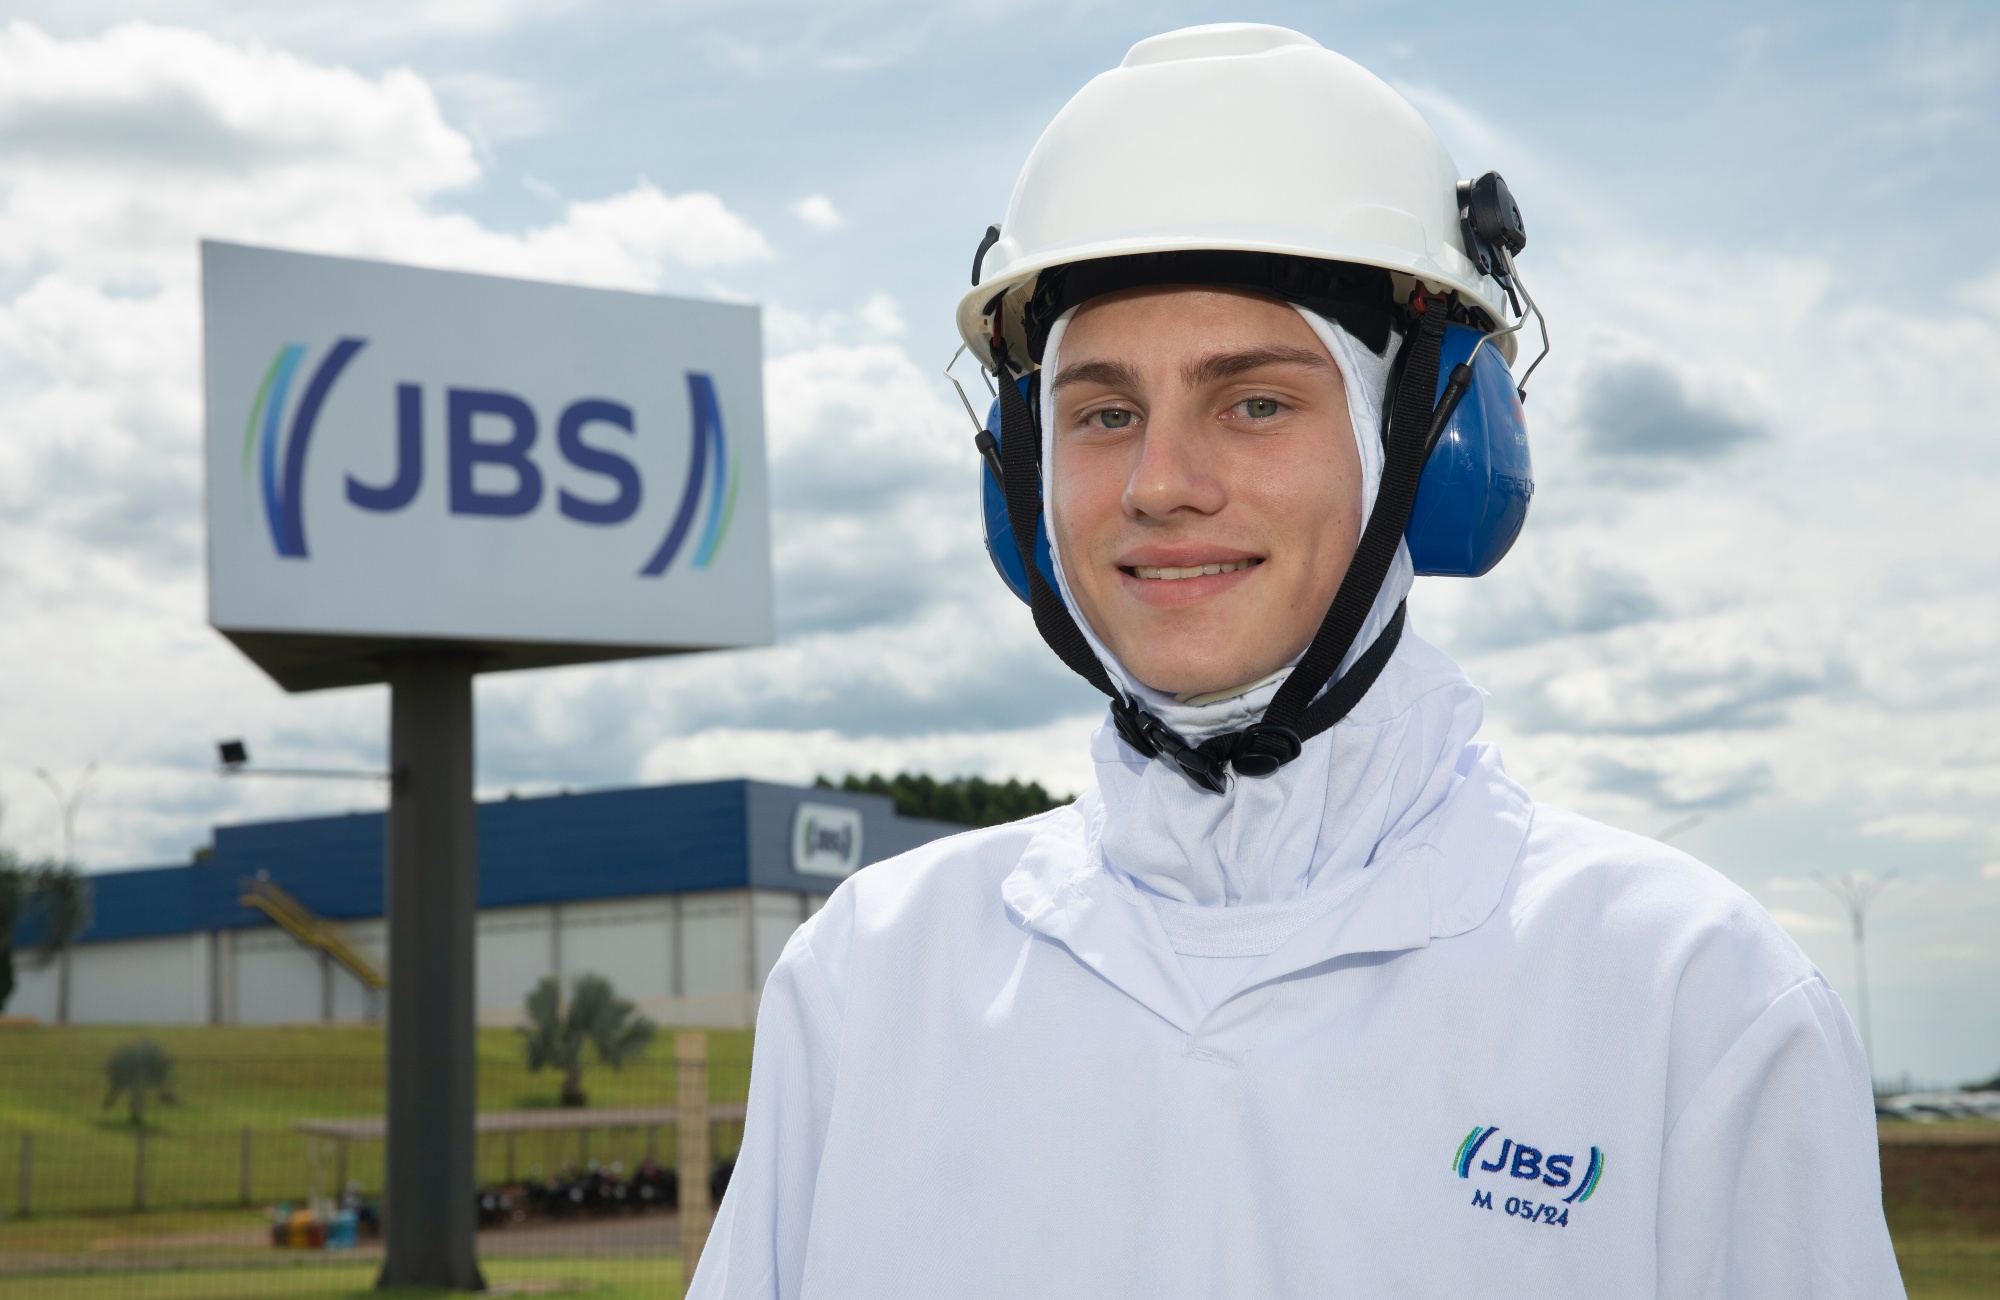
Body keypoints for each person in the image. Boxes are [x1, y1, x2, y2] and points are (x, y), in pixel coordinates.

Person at [689, 23, 1902, 1299]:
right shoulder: (869, 981)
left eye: (1254, 401)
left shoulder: (1687, 998)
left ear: (1434, 448)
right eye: (1102, 413)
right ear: (1022, 481)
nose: (1158, 483)